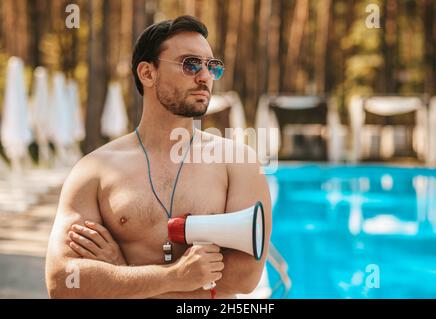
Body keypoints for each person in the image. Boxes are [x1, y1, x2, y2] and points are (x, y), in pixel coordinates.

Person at [45, 15, 272, 299]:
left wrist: (120, 269)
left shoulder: (238, 163)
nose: (204, 77)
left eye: (211, 67)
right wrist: (175, 276)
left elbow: (243, 278)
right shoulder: (94, 170)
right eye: (190, 64)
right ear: (147, 73)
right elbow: (63, 282)